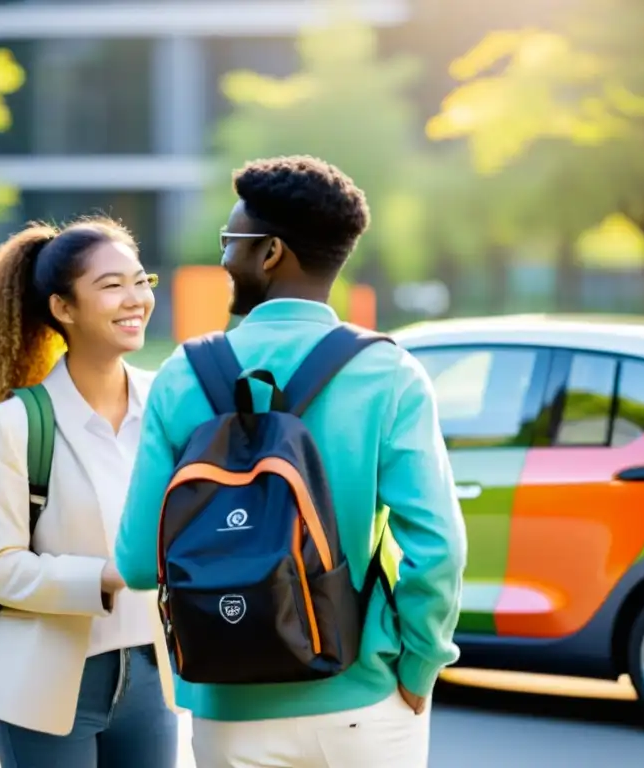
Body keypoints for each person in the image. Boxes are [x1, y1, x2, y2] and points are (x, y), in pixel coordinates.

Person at [116, 155, 467, 767]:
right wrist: (420, 664)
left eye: (232, 242)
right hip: (364, 697)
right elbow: (438, 548)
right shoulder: (390, 374)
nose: (224, 259)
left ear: (271, 253)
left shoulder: (181, 377)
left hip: (231, 707)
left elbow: (139, 564)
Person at [0, 216, 179, 767]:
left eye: (141, 281)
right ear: (63, 308)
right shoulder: (18, 423)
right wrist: (106, 574)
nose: (135, 299)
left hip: (150, 673)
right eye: (112, 285)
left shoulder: (168, 402)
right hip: (45, 685)